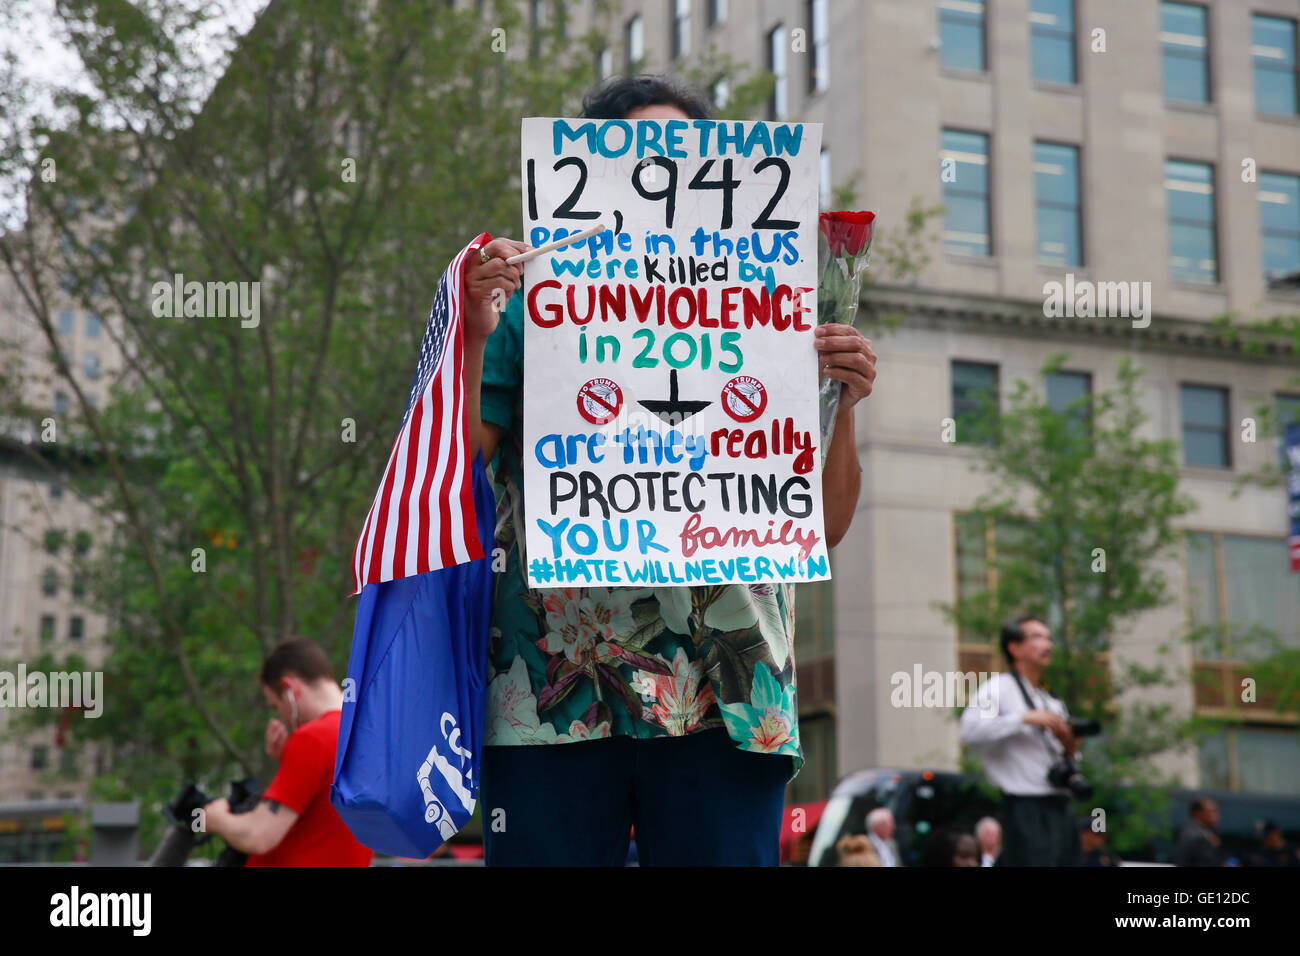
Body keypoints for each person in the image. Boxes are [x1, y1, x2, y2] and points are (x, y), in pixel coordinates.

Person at [463, 74, 877, 866]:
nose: (666, 171)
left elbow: (822, 526)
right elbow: (458, 471)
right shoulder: (530, 299)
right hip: (555, 692)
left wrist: (846, 403)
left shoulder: (790, 301)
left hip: (732, 697)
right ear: (590, 173)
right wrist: (476, 330)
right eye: (643, 154)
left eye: (683, 153)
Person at [203, 638, 373, 866]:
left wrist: (216, 819)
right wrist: (289, 762)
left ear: (290, 689)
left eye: (276, 705)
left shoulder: (313, 738)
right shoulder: (368, 734)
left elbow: (259, 835)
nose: (282, 717)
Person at [958, 615, 1083, 866]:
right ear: (1014, 648)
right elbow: (969, 731)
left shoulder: (1051, 700)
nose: (1047, 645)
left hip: (1060, 804)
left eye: (1049, 638)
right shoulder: (999, 688)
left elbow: (1071, 756)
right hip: (1025, 808)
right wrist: (1022, 718)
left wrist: (1069, 742)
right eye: (1037, 637)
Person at [1171, 797, 1224, 867]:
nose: (1216, 816)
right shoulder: (1195, 836)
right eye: (1211, 812)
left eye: (1216, 812)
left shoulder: (1207, 832)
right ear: (1197, 814)